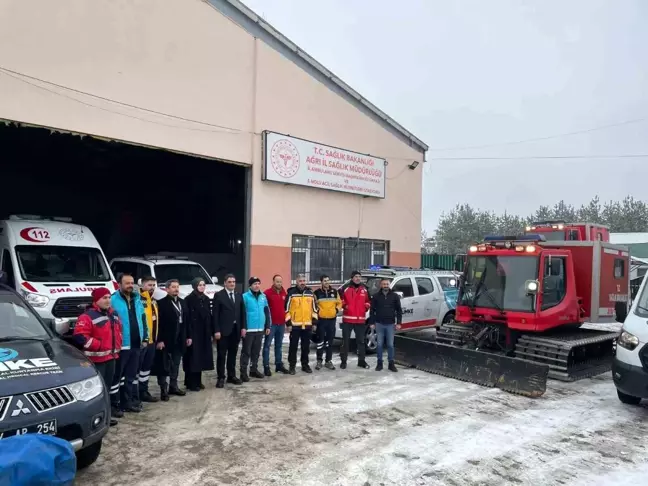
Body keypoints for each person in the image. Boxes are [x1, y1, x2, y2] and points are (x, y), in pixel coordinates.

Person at [73, 287, 123, 426]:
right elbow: (79, 336)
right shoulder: (87, 316)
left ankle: (105, 417)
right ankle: (95, 419)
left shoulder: (113, 314)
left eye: (109, 297)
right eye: (104, 298)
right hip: (96, 360)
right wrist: (98, 345)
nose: (108, 300)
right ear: (96, 300)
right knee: (96, 391)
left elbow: (119, 331)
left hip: (111, 358)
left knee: (106, 389)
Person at [110, 273, 148, 413]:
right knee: (117, 376)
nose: (130, 286)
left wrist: (145, 337)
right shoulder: (113, 300)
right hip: (122, 345)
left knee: (131, 376)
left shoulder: (137, 299)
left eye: (132, 283)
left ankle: (127, 402)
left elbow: (143, 319)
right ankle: (114, 404)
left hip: (136, 344)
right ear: (119, 284)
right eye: (127, 283)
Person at [153, 279, 190, 400]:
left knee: (176, 363)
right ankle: (163, 389)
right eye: (173, 287)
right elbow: (159, 324)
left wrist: (188, 336)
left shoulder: (183, 302)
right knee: (164, 365)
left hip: (180, 338)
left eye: (177, 287)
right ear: (167, 289)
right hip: (166, 339)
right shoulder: (161, 303)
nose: (176, 289)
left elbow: (186, 322)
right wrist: (160, 340)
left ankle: (173, 386)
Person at [212, 274, 246, 388]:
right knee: (221, 355)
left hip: (235, 330)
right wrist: (216, 330)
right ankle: (221, 377)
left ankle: (231, 376)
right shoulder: (219, 295)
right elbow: (215, 314)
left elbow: (242, 313)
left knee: (233, 354)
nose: (232, 284)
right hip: (223, 331)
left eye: (234, 282)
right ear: (225, 283)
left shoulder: (238, 295)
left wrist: (243, 327)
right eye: (230, 282)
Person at [183, 278, 215, 391]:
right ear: (194, 286)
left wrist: (211, 331)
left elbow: (208, 316)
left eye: (203, 285)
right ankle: (191, 382)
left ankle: (198, 381)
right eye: (199, 285)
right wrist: (188, 334)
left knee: (200, 357)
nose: (202, 287)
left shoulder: (205, 299)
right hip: (193, 331)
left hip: (203, 332)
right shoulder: (189, 299)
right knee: (193, 358)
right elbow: (187, 318)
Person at [285, 274, 318, 374]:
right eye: (300, 281)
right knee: (293, 347)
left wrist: (314, 323)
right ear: (296, 281)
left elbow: (314, 309)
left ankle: (305, 365)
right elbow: (286, 310)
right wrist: (289, 324)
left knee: (306, 347)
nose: (302, 282)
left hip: (307, 325)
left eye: (304, 280)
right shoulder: (291, 293)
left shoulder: (310, 293)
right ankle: (292, 366)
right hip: (295, 325)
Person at [339, 270, 371, 369]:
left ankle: (361, 361)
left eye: (359, 277)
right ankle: (343, 362)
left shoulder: (365, 289)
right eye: (356, 276)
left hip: (360, 320)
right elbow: (339, 300)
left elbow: (368, 301)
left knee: (361, 342)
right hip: (348, 320)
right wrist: (345, 306)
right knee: (345, 342)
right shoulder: (345, 288)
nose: (358, 278)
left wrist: (366, 307)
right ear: (352, 278)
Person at [241, 277, 271, 381]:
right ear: (250, 286)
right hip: (249, 329)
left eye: (258, 283)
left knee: (256, 352)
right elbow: (242, 313)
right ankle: (243, 372)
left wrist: (267, 326)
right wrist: (243, 327)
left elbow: (267, 312)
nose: (257, 285)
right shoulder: (245, 297)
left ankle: (253, 370)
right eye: (254, 284)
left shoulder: (263, 297)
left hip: (260, 329)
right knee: (246, 352)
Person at [369, 277, 403, 372]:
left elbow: (399, 310)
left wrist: (399, 323)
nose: (385, 286)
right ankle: (379, 363)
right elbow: (372, 310)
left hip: (390, 324)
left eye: (387, 284)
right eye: (384, 284)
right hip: (379, 323)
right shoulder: (376, 296)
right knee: (379, 345)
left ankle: (391, 364)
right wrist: (371, 322)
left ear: (389, 285)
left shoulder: (395, 296)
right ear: (381, 285)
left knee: (390, 345)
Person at [137, 276, 160, 403]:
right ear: (143, 285)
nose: (152, 287)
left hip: (152, 341)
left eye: (153, 285)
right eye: (149, 285)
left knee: (146, 369)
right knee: (136, 370)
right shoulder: (138, 299)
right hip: (142, 341)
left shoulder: (154, 301)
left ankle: (143, 391)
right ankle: (135, 394)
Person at [313, 275, 342, 370]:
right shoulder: (316, 293)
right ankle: (319, 361)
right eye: (325, 281)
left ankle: (328, 361)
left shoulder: (334, 291)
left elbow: (339, 303)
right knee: (320, 341)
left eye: (328, 280)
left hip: (331, 320)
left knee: (330, 342)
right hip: (321, 321)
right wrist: (317, 314)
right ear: (321, 282)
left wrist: (336, 311)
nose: (327, 282)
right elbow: (313, 306)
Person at [263, 275, 289, 376]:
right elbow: (265, 309)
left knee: (279, 346)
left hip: (281, 324)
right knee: (267, 346)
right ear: (273, 282)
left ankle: (279, 365)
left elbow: (285, 308)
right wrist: (266, 324)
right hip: (271, 324)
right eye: (277, 281)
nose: (279, 283)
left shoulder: (284, 292)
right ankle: (266, 366)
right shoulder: (267, 293)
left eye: (280, 282)